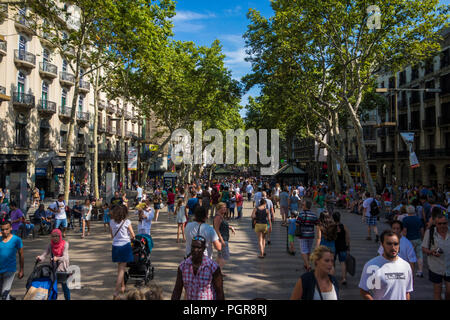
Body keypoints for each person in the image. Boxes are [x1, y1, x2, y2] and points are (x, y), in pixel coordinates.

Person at [359, 230, 413, 300]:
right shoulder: (372, 266)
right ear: (382, 244)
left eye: (396, 244)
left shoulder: (406, 266)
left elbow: (407, 292)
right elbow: (364, 291)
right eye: (389, 244)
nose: (393, 247)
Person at [36, 229, 71, 300]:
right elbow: (45, 254)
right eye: (53, 236)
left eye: (57, 236)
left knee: (65, 287)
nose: (55, 238)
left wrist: (57, 258)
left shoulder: (65, 244)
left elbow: (65, 257)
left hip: (63, 269)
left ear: (60, 236)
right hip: (53, 269)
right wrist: (40, 258)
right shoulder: (50, 245)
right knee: (53, 287)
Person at [421, 212, 449, 300]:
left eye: (444, 223)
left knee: (449, 292)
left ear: (447, 223)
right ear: (436, 224)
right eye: (439, 224)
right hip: (436, 267)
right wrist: (431, 252)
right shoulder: (430, 233)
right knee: (437, 291)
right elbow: (424, 248)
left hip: (449, 266)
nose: (442, 226)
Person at [110, 204, 135, 299]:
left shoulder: (111, 222)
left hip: (115, 246)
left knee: (120, 268)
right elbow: (133, 235)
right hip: (125, 246)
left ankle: (122, 286)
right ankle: (116, 291)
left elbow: (112, 236)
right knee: (121, 269)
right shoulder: (127, 222)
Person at [0, 221, 24, 300]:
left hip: (10, 270)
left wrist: (21, 270)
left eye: (6, 229)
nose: (4, 231)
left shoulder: (17, 240)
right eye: (2, 230)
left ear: (11, 228)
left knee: (4, 294)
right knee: (1, 293)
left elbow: (21, 255)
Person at [402, 205, 425, 277]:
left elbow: (405, 230)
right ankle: (420, 271)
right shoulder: (418, 219)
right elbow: (422, 230)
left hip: (409, 239)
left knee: (409, 256)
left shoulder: (405, 219)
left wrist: (403, 239)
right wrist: (423, 238)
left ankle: (409, 270)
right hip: (417, 238)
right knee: (419, 255)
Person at [296, 200, 319, 271]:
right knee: (308, 250)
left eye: (303, 205)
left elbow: (297, 223)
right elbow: (317, 223)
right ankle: (306, 263)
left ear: (305, 206)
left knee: (303, 250)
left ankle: (308, 265)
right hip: (311, 235)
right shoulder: (313, 215)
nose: (302, 206)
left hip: (303, 235)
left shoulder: (301, 214)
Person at [213, 203, 236, 276]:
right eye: (223, 208)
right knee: (225, 256)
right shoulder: (218, 217)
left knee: (220, 256)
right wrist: (221, 240)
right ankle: (217, 272)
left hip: (223, 238)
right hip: (222, 239)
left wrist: (230, 227)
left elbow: (222, 225)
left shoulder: (221, 216)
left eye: (225, 207)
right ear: (219, 208)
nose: (225, 209)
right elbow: (216, 229)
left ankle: (215, 270)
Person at [332, 212, 350, 285]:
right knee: (343, 262)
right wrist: (348, 246)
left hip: (334, 246)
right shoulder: (344, 226)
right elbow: (347, 237)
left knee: (332, 262)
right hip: (343, 246)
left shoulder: (332, 226)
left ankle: (332, 277)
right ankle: (344, 278)